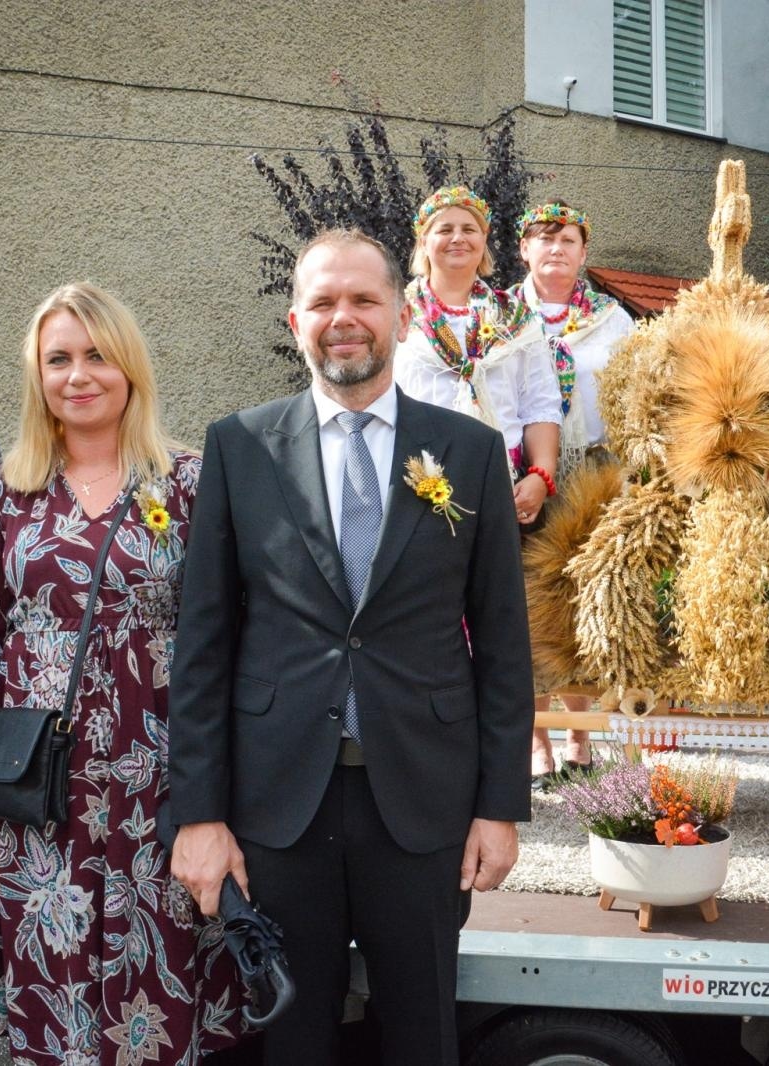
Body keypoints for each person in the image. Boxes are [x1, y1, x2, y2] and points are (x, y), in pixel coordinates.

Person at [165, 229, 534, 1066]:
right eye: (324, 302)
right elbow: (204, 644)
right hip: (278, 804)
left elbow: (505, 644)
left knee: (421, 1034)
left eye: (364, 300)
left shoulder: (470, 452)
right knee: (292, 1039)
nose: (345, 319)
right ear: (296, 321)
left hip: (424, 800)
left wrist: (499, 805)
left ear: (401, 316)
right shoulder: (239, 447)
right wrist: (201, 814)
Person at [0, 282, 245, 1063]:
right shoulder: (4, 492)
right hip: (37, 801)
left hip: (164, 794)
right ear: (37, 375)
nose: (79, 374)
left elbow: (229, 642)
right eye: (59, 359)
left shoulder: (189, 484)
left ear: (129, 368)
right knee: (56, 1014)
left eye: (96, 356)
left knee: (162, 1004)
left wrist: (221, 806)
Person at [512, 200, 634, 785]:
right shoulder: (500, 316)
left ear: (584, 253)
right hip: (522, 475)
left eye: (567, 240)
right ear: (523, 250)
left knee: (582, 601)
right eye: (543, 239)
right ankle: (535, 739)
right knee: (528, 604)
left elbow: (632, 398)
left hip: (591, 472)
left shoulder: (614, 321)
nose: (555, 249)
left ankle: (581, 739)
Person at [393, 185, 563, 530]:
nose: (458, 238)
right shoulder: (397, 315)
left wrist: (540, 477)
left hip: (504, 488)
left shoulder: (516, 318)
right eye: (445, 229)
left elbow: (540, 403)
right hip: (416, 485)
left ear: (483, 240)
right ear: (424, 242)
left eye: (469, 229)